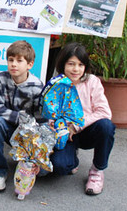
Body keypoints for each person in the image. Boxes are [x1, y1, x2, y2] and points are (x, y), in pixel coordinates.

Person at [49, 42, 115, 195]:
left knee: (106, 126)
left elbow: (104, 112)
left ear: (85, 66)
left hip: (87, 131)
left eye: (80, 64)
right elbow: (50, 114)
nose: (75, 69)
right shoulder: (56, 85)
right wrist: (60, 128)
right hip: (66, 135)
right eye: (71, 64)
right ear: (63, 64)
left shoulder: (92, 81)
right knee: (60, 167)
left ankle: (97, 171)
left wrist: (76, 126)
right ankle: (73, 159)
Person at [0, 40, 44, 192]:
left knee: (44, 173)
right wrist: (21, 118)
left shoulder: (37, 86)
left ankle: (26, 165)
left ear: (30, 65)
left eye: (19, 61)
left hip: (27, 134)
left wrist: (27, 125)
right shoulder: (1, 79)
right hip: (7, 127)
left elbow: (39, 119)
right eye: (10, 60)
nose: (14, 64)